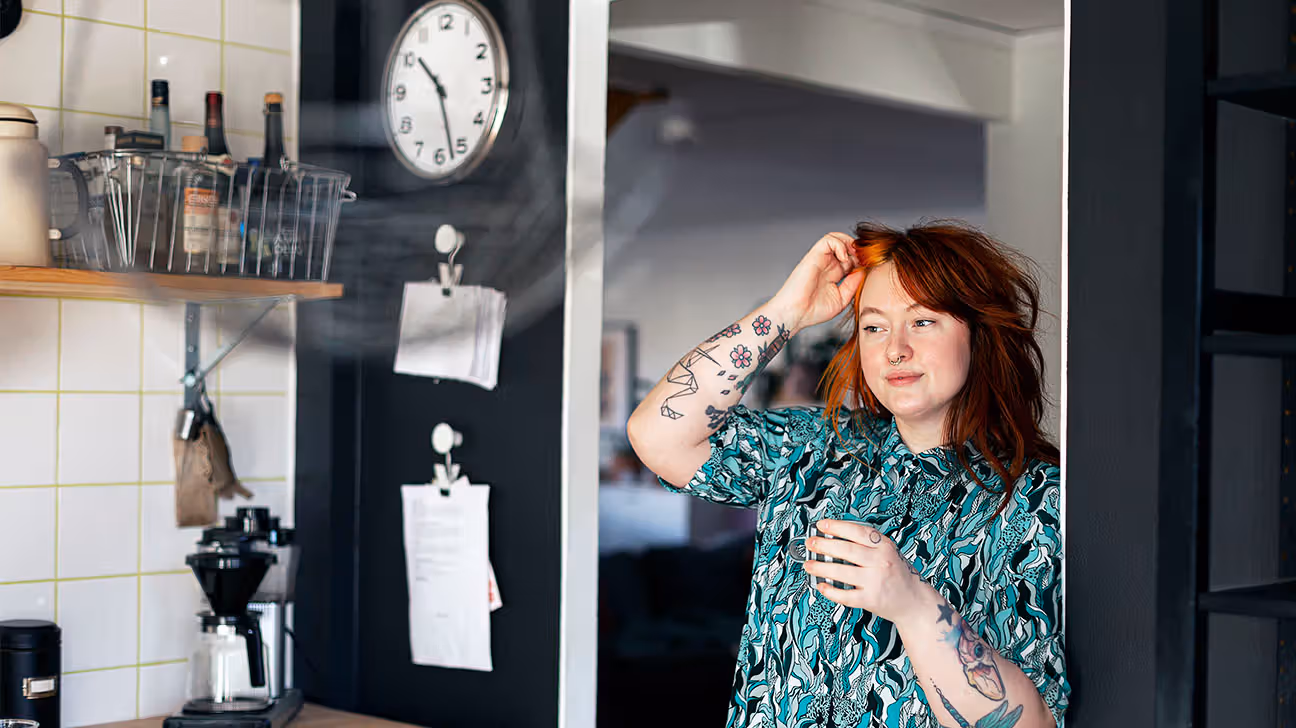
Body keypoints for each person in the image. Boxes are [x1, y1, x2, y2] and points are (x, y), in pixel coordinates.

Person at [626, 221, 1068, 728]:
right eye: (874, 326)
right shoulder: (813, 448)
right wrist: (787, 312)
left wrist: (912, 605)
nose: (895, 349)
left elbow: (1030, 723)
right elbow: (657, 433)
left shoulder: (1036, 499)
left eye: (922, 321)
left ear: (978, 333)